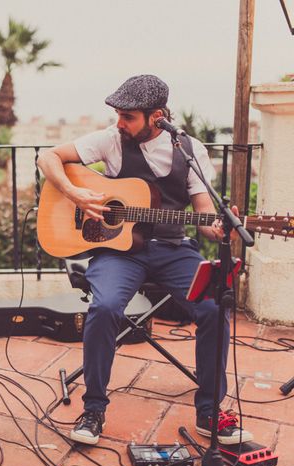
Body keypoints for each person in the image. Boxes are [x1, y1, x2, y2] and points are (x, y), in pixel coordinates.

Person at [37, 74, 253, 446]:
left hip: (172, 250)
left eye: (128, 116)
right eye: (119, 114)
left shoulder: (191, 150)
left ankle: (209, 412)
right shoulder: (111, 140)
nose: (120, 122)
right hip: (119, 252)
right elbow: (47, 156)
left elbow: (204, 216)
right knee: (104, 308)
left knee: (215, 307)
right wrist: (75, 194)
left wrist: (220, 229)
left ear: (157, 116)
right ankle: (94, 408)